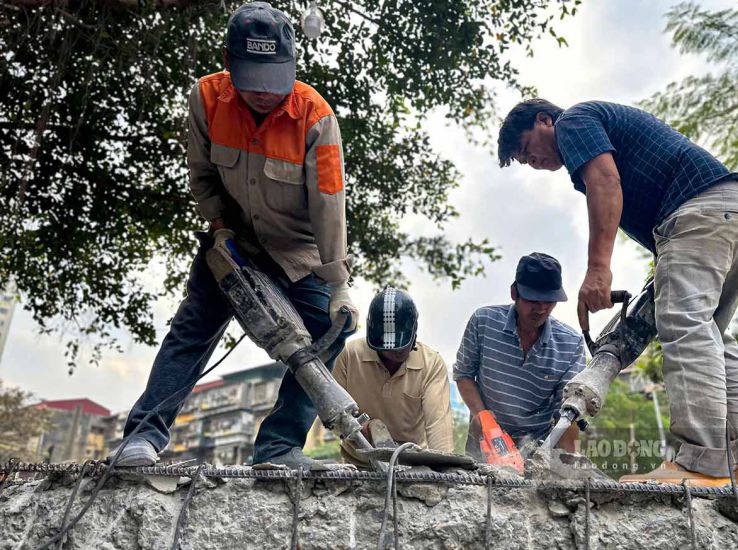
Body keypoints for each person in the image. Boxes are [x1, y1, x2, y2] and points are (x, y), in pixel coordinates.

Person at [109, 2, 357, 470]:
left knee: (327, 331)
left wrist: (338, 285)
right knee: (193, 327)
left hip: (297, 250)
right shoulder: (206, 99)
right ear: (229, 62)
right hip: (232, 239)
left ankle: (279, 448)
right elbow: (201, 174)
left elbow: (329, 203)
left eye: (274, 80)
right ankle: (141, 437)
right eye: (253, 79)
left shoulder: (315, 117)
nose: (264, 94)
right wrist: (219, 229)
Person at [497, 99, 738, 486]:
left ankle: (702, 462)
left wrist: (598, 270)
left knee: (683, 325)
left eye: (525, 149)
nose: (530, 161)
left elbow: (605, 182)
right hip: (726, 209)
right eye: (523, 161)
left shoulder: (573, 122)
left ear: (544, 120)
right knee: (710, 334)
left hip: (696, 210)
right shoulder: (591, 128)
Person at [454, 253, 586, 458]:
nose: (541, 308)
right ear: (514, 292)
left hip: (539, 445)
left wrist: (562, 469)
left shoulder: (571, 344)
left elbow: (567, 410)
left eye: (549, 301)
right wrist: (482, 416)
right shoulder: (483, 322)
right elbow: (463, 374)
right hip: (486, 439)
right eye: (534, 299)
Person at [333, 288, 453, 466]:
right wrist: (365, 429)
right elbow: (333, 415)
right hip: (360, 463)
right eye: (387, 347)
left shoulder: (431, 364)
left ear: (414, 332)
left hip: (411, 465)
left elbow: (439, 427)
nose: (394, 352)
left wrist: (444, 469)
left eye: (400, 346)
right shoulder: (348, 356)